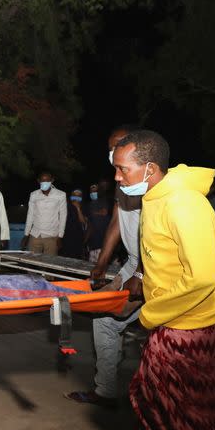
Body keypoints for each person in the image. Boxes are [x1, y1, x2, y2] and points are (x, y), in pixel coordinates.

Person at [97, 130, 215, 430]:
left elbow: (204, 278)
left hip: (198, 331)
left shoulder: (183, 204)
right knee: (153, 411)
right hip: (173, 321)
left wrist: (148, 314)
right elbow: (165, 259)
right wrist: (142, 281)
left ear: (150, 167)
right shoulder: (155, 197)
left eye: (121, 170)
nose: (116, 178)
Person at [67, 125, 143, 409]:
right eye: (110, 147)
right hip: (133, 262)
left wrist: (141, 274)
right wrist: (100, 265)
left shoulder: (150, 183)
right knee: (104, 317)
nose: (113, 152)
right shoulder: (122, 181)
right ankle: (107, 391)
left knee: (155, 329)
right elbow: (115, 223)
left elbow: (158, 235)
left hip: (154, 264)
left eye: (119, 145)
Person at [21, 172, 67, 255]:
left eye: (47, 180)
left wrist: (60, 236)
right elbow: (30, 215)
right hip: (35, 235)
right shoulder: (34, 195)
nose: (44, 182)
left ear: (52, 180)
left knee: (49, 264)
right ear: (38, 181)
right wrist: (26, 234)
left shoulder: (61, 195)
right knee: (33, 263)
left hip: (51, 236)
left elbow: (63, 216)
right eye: (42, 181)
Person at [85, 182, 111, 262]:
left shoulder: (103, 201)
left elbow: (105, 212)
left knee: (101, 265)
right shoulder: (88, 205)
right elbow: (88, 223)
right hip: (92, 242)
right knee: (91, 266)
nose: (93, 193)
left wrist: (94, 213)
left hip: (102, 241)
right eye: (92, 191)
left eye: (95, 191)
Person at [60, 188, 87, 259]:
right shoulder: (65, 206)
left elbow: (84, 222)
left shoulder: (84, 207)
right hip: (66, 238)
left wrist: (78, 209)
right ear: (71, 196)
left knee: (76, 260)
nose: (76, 198)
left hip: (78, 240)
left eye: (79, 196)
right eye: (75, 195)